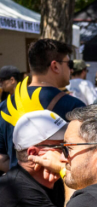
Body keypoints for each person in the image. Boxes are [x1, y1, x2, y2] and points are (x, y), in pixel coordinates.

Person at [0, 39, 86, 172]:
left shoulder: (5, 106)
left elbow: (2, 158)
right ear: (55, 66)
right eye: (69, 63)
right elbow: (83, 156)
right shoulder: (74, 106)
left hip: (17, 187)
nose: (71, 68)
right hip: (58, 189)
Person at [0, 111, 65, 207]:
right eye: (62, 146)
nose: (68, 154)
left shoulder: (54, 181)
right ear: (34, 153)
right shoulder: (16, 193)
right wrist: (66, 174)